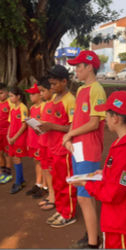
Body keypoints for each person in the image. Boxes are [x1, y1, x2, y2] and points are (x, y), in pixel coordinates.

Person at [70, 90, 126, 250]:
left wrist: (86, 183)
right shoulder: (122, 143)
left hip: (121, 222)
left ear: (116, 118)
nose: (104, 118)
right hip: (116, 219)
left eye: (106, 114)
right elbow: (119, 176)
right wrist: (103, 174)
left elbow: (114, 193)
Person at [62, 50, 107, 249]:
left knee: (84, 195)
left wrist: (71, 134)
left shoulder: (97, 89)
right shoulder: (81, 90)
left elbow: (93, 123)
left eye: (79, 66)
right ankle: (92, 235)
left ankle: (93, 243)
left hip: (88, 148)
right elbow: (78, 120)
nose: (76, 69)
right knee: (82, 193)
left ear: (89, 67)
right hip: (78, 148)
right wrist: (68, 136)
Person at [42, 65, 77, 228]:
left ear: (64, 81)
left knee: (66, 183)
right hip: (52, 147)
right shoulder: (53, 99)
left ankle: (68, 214)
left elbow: (73, 127)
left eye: (55, 84)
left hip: (64, 149)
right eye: (51, 84)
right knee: (57, 182)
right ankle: (61, 209)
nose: (52, 87)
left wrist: (51, 126)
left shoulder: (70, 100)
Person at [25, 82, 48, 198]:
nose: (31, 97)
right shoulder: (32, 107)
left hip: (41, 140)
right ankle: (38, 183)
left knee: (43, 163)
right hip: (33, 140)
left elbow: (44, 125)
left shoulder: (44, 106)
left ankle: (45, 186)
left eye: (33, 94)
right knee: (36, 162)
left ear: (40, 94)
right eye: (30, 95)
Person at [6, 86, 30, 194]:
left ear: (18, 97)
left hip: (19, 138)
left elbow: (24, 125)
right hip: (12, 137)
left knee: (17, 158)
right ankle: (21, 180)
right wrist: (8, 135)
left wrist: (15, 137)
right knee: (14, 157)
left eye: (11, 96)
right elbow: (11, 123)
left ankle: (19, 182)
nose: (10, 98)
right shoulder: (12, 107)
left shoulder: (23, 108)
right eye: (9, 96)